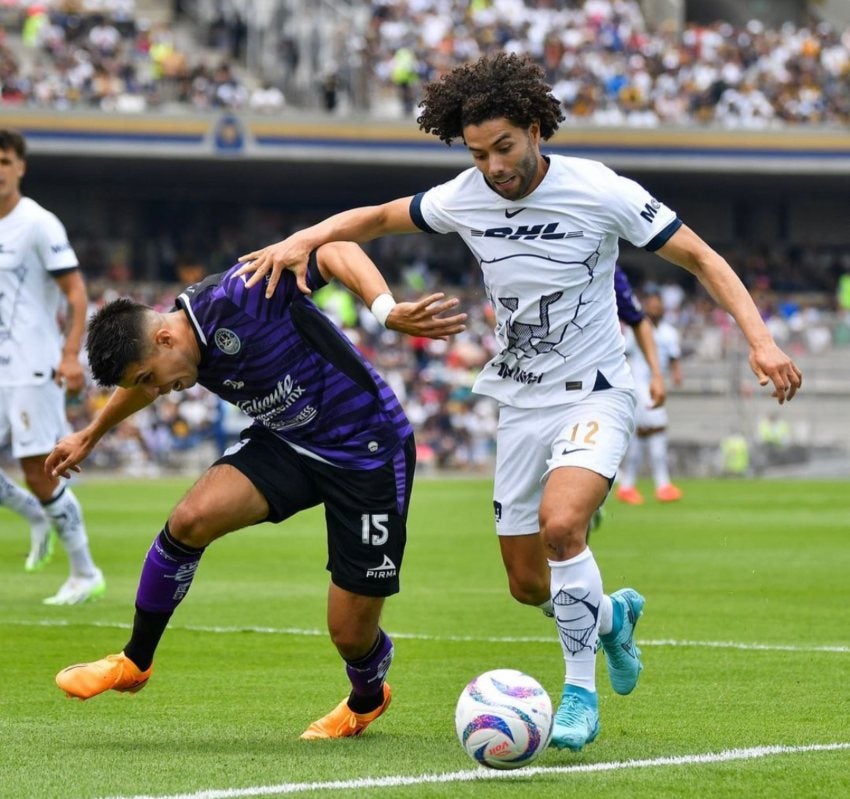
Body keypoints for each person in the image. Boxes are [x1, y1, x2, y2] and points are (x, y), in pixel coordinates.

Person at [235, 52, 803, 752]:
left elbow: (702, 258)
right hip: (521, 406)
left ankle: (579, 692)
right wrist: (306, 237)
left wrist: (761, 341)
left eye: (504, 147)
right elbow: (380, 217)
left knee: (566, 526)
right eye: (478, 153)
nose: (494, 166)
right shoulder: (468, 194)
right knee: (528, 583)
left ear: (535, 129)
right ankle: (610, 617)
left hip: (596, 391)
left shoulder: (599, 190)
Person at [46, 244, 465, 740]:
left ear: (164, 338)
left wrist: (386, 309)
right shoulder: (173, 348)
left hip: (367, 449)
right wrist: (89, 435)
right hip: (289, 442)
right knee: (190, 519)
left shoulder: (242, 293)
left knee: (350, 634)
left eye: (150, 379)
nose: (157, 392)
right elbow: (142, 381)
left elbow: (335, 250)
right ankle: (135, 661)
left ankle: (367, 699)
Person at [0, 127, 105, 603]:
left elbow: (76, 292)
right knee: (35, 483)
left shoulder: (38, 223)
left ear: (20, 167)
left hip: (31, 364)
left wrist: (69, 354)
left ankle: (85, 572)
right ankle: (36, 514)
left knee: (39, 468)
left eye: (5, 162)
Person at [616, 290, 684, 504]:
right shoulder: (637, 331)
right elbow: (624, 354)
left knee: (641, 435)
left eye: (658, 305)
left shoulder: (669, 333)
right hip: (639, 386)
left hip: (656, 384)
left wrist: (676, 374)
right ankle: (661, 485)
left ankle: (629, 486)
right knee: (657, 428)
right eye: (651, 305)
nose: (655, 309)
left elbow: (674, 357)